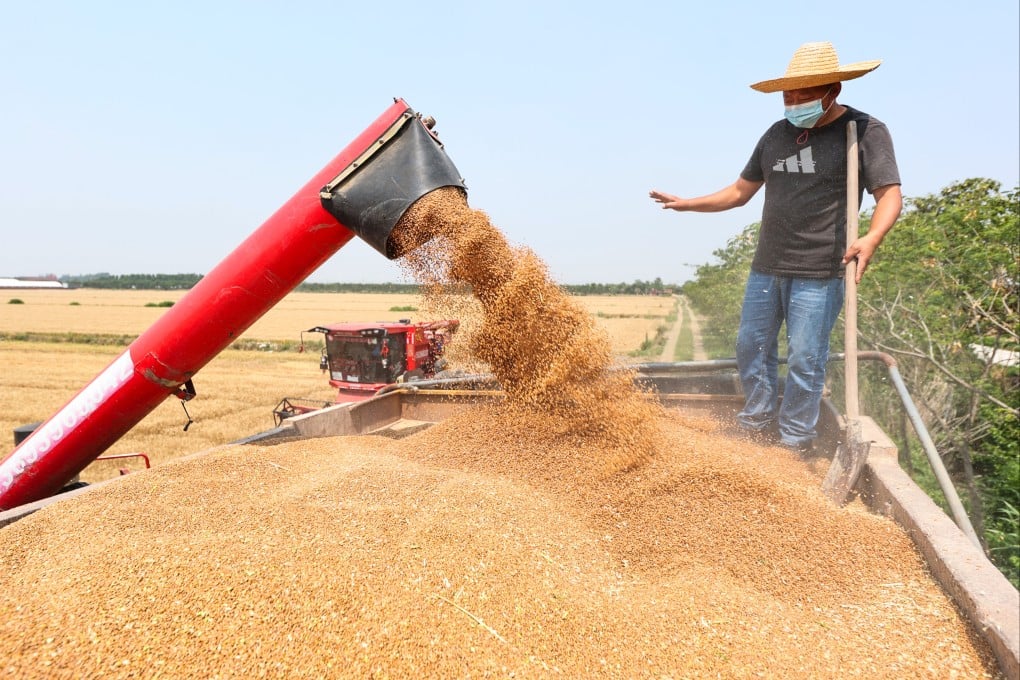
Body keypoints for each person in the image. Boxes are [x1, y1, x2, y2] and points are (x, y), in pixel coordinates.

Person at [650, 41, 902, 452]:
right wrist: (686, 204)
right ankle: (757, 422)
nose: (795, 101)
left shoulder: (863, 131)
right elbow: (738, 192)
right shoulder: (776, 135)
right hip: (767, 265)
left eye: (805, 93)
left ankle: (795, 439)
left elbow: (889, 195)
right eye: (789, 93)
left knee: (805, 356)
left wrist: (871, 237)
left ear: (833, 90)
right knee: (752, 347)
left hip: (822, 267)